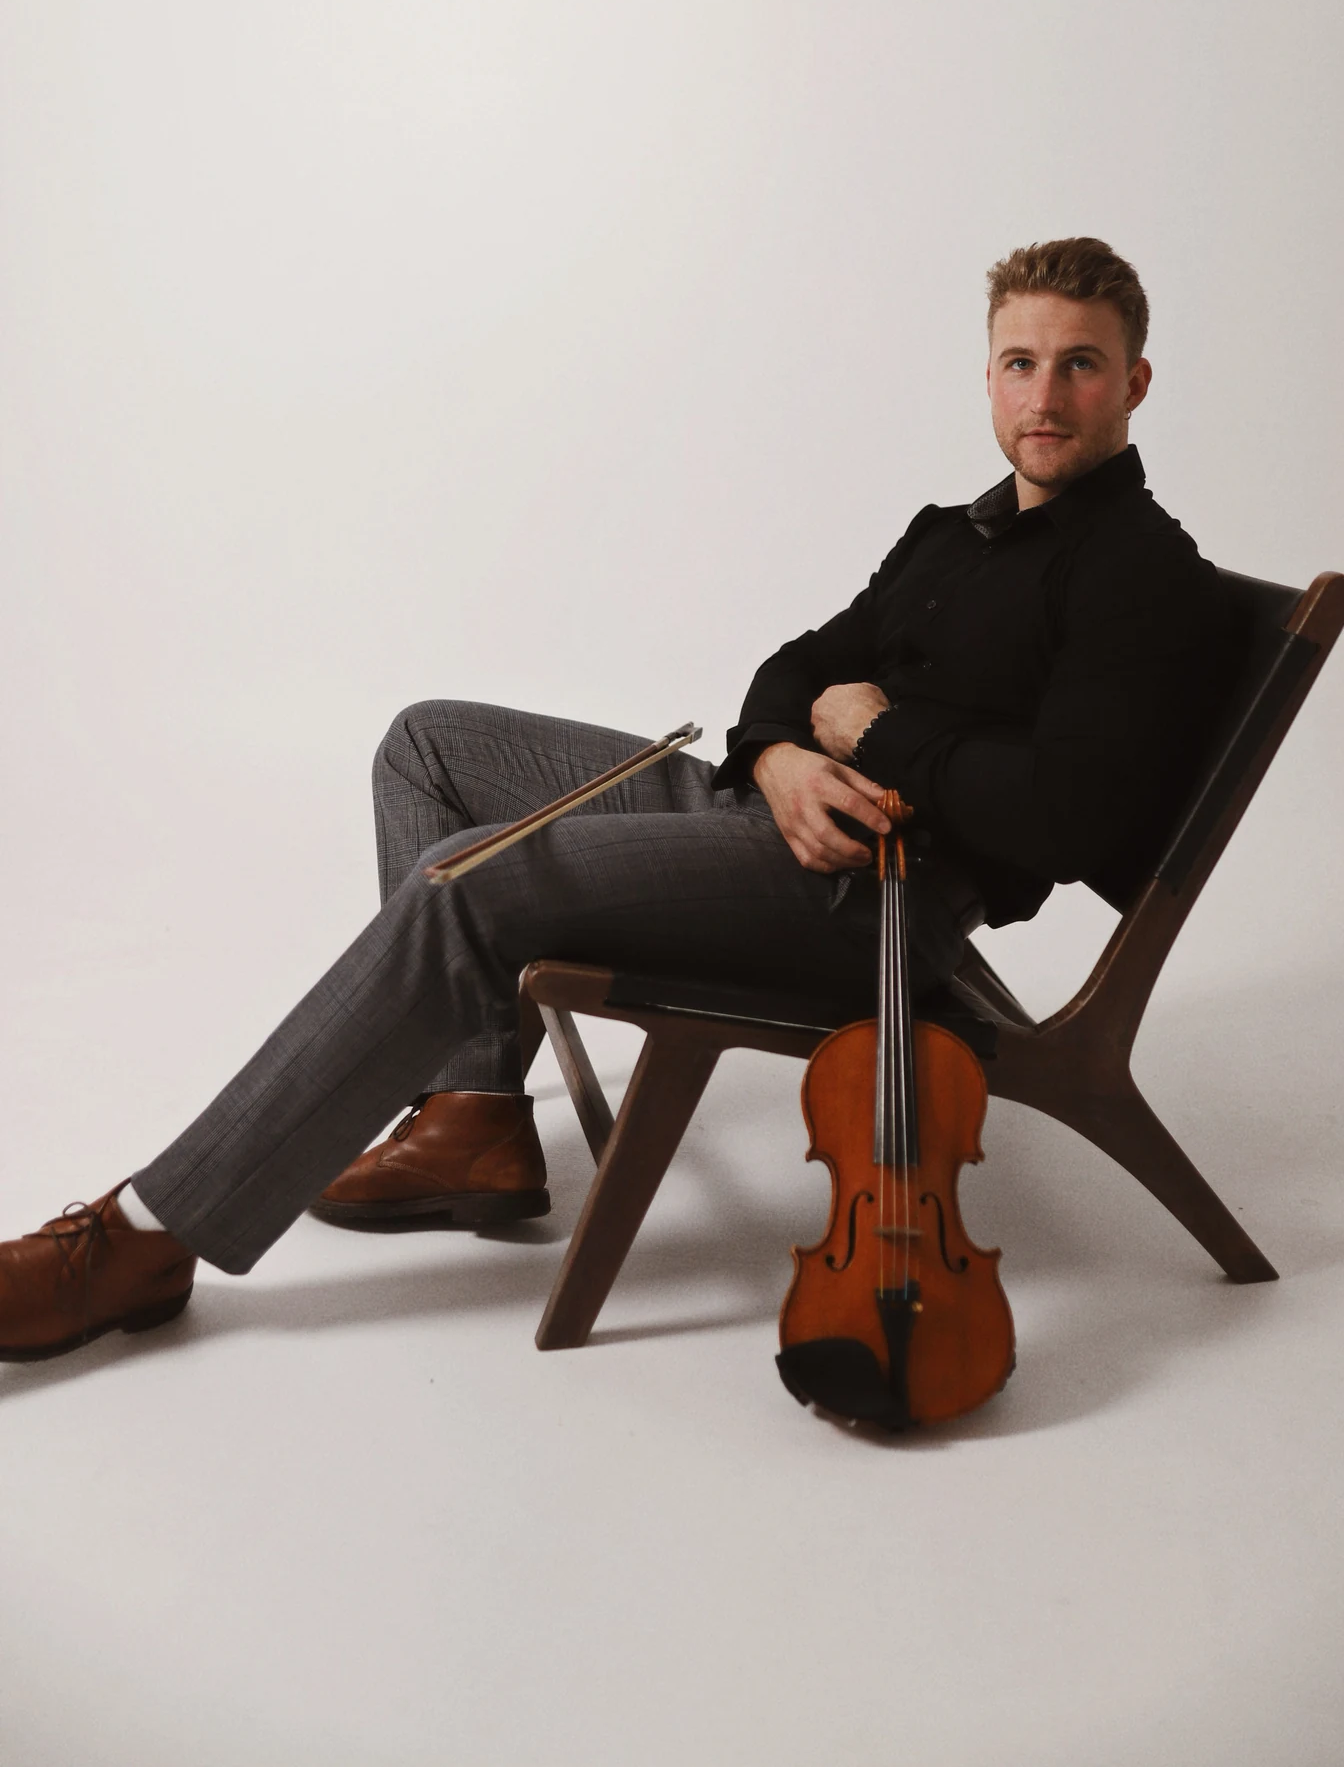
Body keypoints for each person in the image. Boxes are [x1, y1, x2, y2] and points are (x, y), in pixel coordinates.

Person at [0, 237, 1237, 1362]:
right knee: (427, 746)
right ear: (987, 379)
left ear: (1132, 384)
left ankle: (147, 1235)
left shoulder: (1135, 569)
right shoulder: (953, 533)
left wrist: (877, 731)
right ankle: (475, 1114)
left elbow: (1062, 817)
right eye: (1019, 363)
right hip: (768, 812)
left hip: (864, 894)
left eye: (1079, 365)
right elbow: (793, 669)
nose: (1043, 394)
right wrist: (778, 756)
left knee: (466, 883)